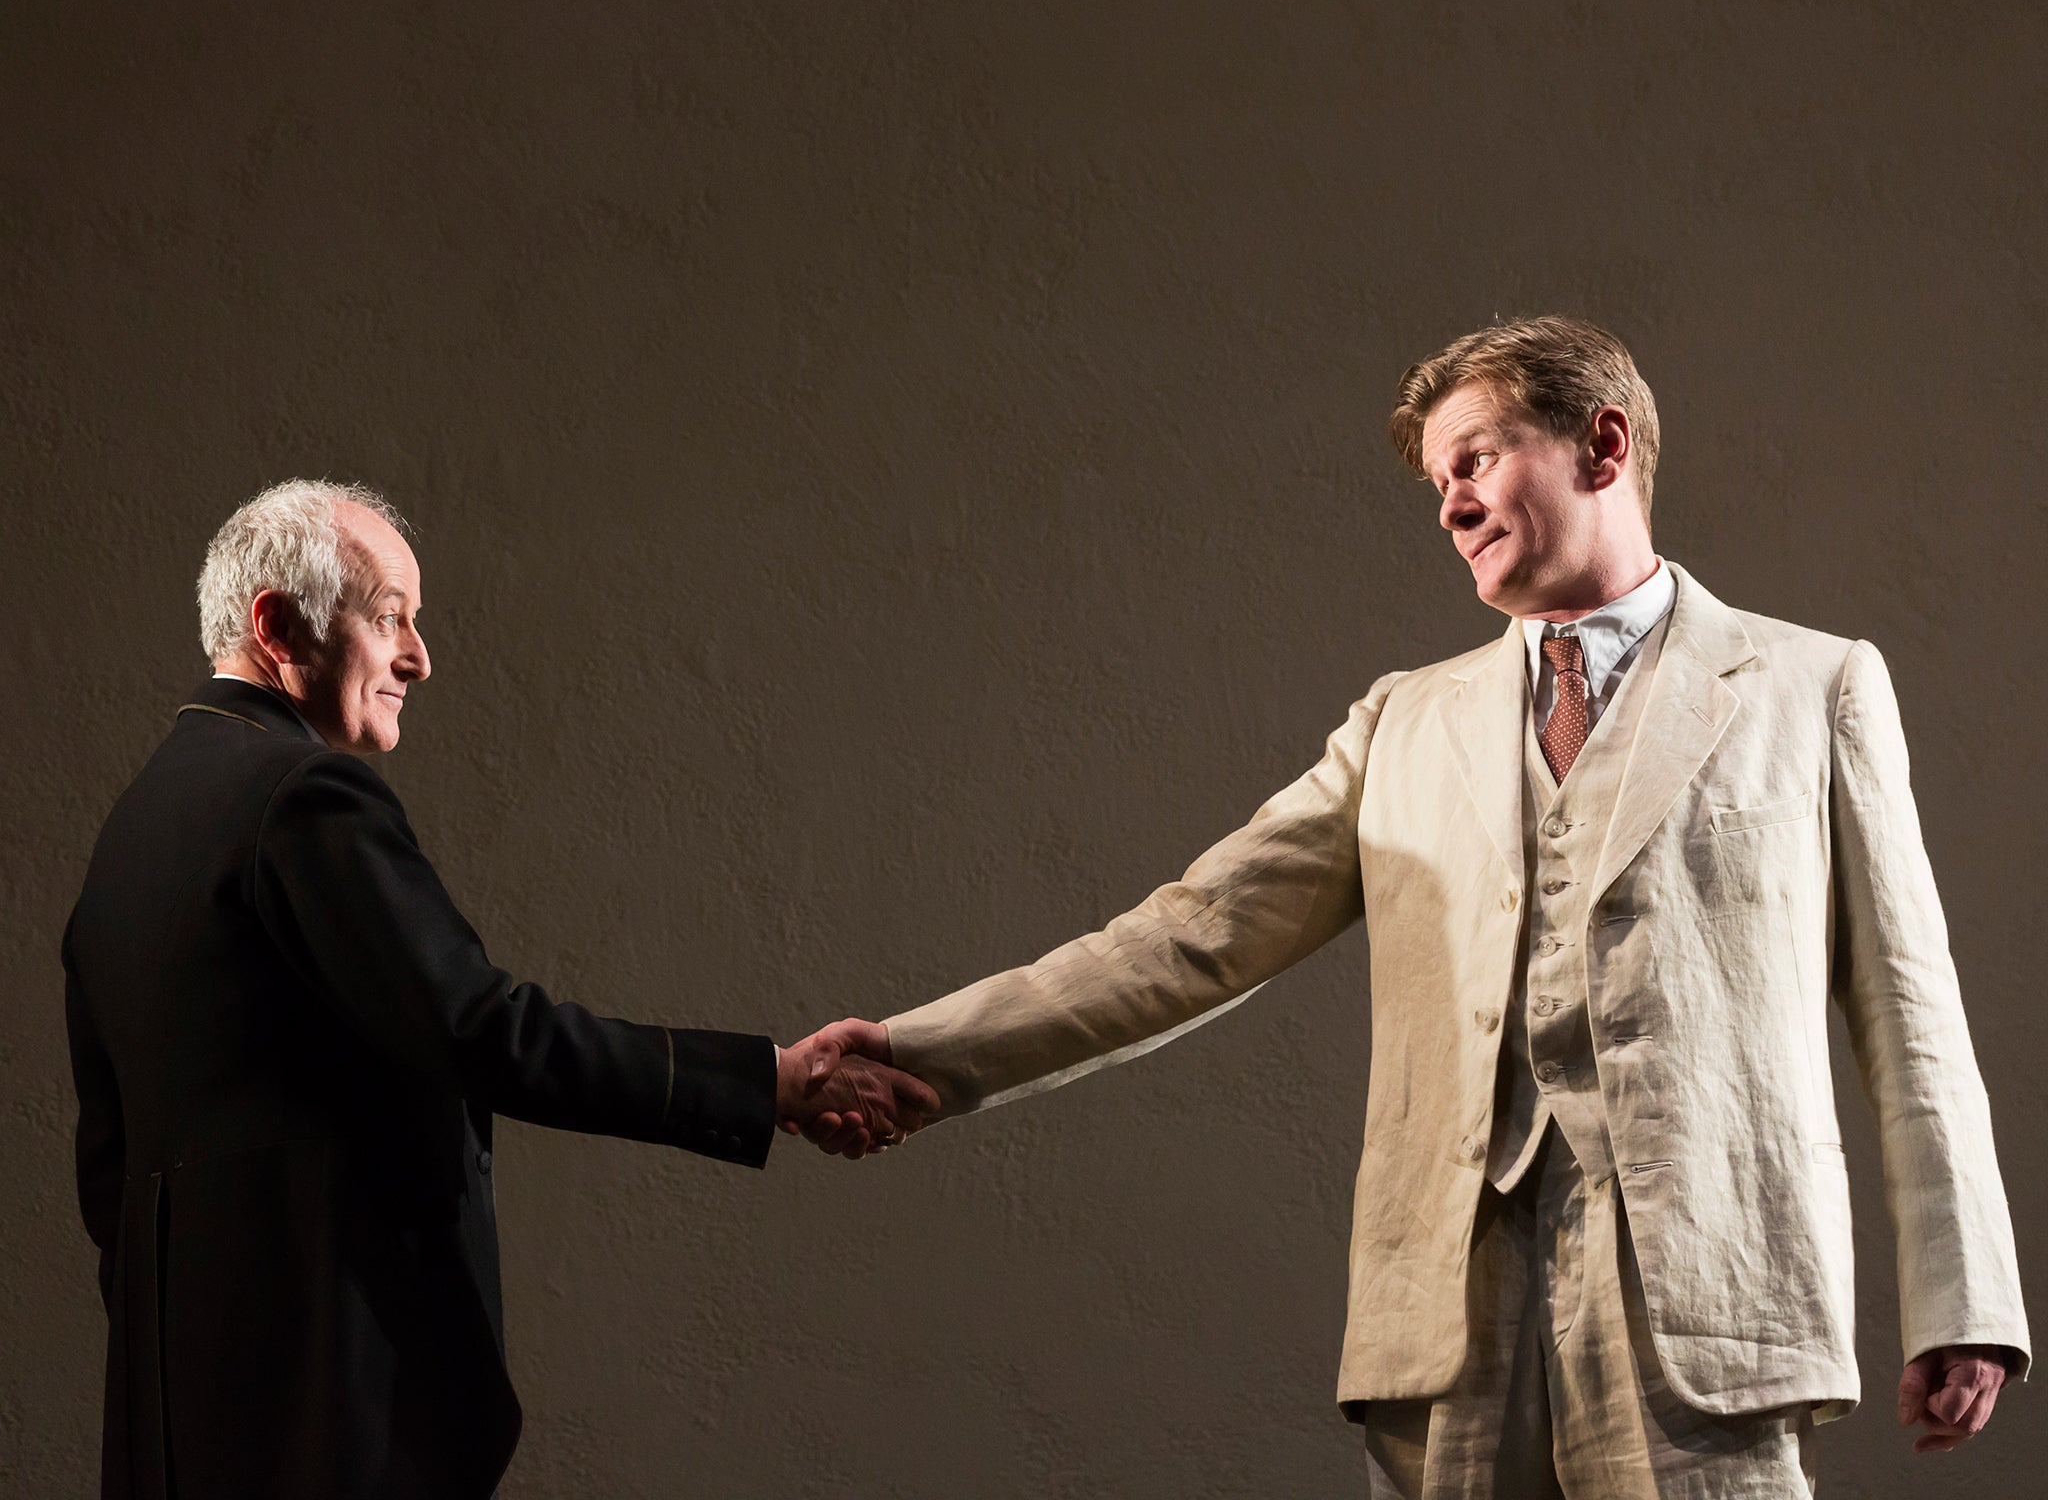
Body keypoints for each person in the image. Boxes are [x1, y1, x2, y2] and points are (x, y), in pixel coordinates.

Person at [828, 318, 2028, 1495]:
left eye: (1476, 459)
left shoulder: (1812, 685)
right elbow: (1191, 935)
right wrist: (924, 1053)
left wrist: (1963, 1296)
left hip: (1712, 1308)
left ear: (1600, 447)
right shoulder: (1402, 720)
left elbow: (1910, 1011)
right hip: (1445, 1315)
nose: (1448, 504)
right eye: (1437, 480)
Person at [62, 480, 934, 1500]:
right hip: (327, 1417)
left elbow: (107, 1169)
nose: (418, 657)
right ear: (275, 624)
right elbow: (478, 1028)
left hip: (180, 1417)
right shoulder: (300, 797)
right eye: (389, 616)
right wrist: (767, 1081)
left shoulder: (133, 831)